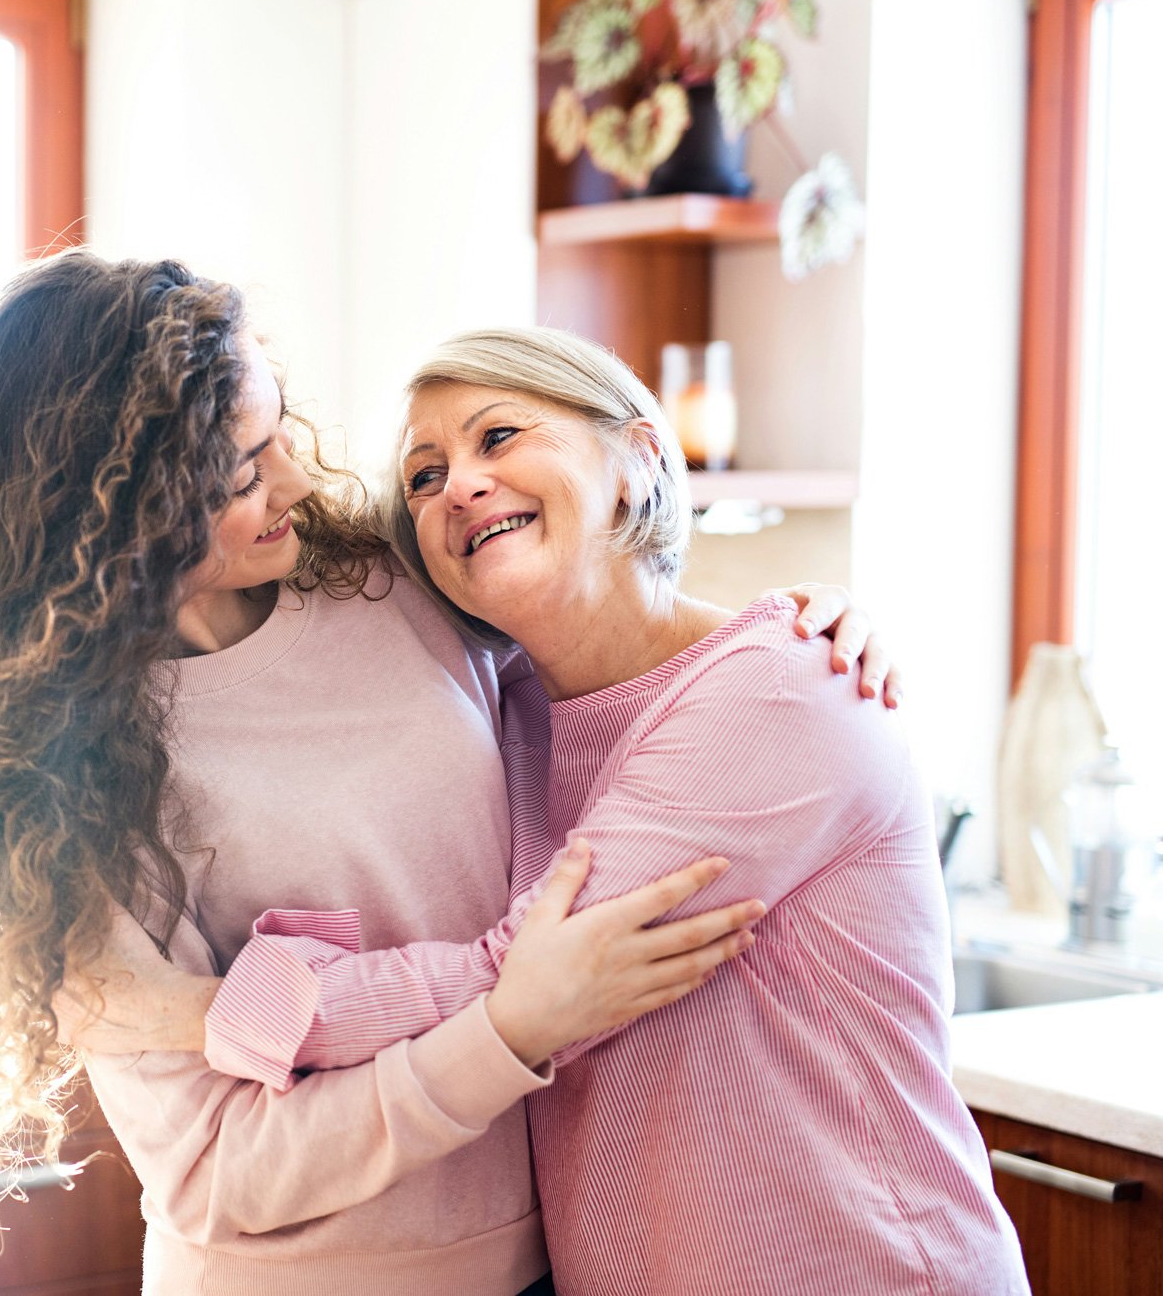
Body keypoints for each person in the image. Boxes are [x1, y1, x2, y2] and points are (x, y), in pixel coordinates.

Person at [0, 252, 895, 1294]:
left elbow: (589, 634)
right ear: (120, 522)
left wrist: (790, 623)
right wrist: (507, 1025)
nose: (299, 482)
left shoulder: (377, 578)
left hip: (542, 1263)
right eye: (239, 477)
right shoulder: (59, 784)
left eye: (275, 431)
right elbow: (212, 1174)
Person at [87, 326, 1026, 1295]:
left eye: (498, 436)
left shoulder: (782, 687)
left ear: (638, 460)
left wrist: (190, 1009)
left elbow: (530, 981)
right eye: (421, 476)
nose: (456, 484)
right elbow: (523, 992)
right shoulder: (514, 716)